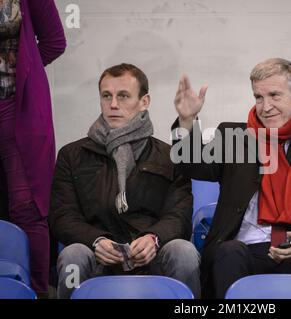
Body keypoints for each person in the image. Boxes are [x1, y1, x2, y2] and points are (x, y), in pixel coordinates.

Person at [172, 58, 291, 299]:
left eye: (275, 95)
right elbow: (190, 165)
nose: (265, 107)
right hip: (243, 251)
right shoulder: (234, 137)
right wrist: (187, 121)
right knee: (229, 252)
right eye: (258, 97)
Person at [49, 63, 200, 299]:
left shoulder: (169, 157)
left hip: (153, 256)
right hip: (97, 256)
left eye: (123, 96)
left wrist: (153, 239)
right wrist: (96, 241)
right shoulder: (72, 155)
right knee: (72, 256)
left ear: (144, 102)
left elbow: (179, 215)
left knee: (184, 251)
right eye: (106, 96)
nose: (113, 105)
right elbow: (62, 217)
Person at [0, 0, 66, 297]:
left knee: (28, 209)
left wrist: (24, 67)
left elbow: (54, 42)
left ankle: (36, 293)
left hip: (17, 107)